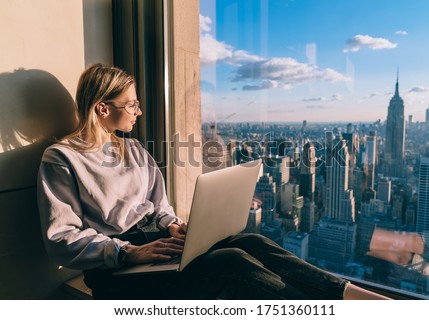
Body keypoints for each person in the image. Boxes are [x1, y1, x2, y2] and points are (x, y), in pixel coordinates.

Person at [37, 63, 390, 300]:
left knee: (250, 239)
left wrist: (172, 224)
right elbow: (62, 239)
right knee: (232, 262)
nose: (138, 112)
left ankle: (356, 297)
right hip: (117, 268)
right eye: (131, 105)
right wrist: (128, 252)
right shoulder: (62, 158)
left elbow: (158, 206)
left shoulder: (132, 150)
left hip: (157, 243)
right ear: (102, 109)